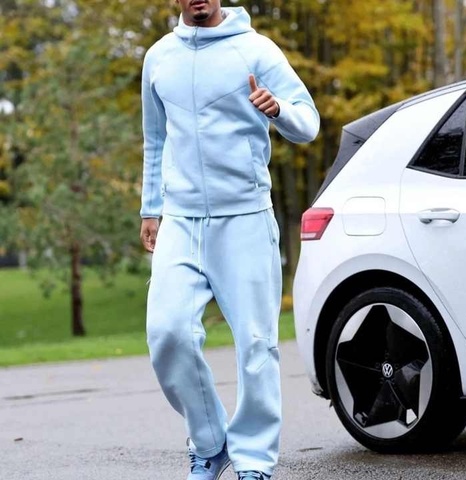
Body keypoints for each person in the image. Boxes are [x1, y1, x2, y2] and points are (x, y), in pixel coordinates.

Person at [139, 1, 319, 479]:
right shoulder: (158, 57)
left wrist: (278, 110)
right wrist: (150, 207)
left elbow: (309, 123)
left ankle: (254, 460)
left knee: (257, 344)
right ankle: (210, 442)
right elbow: (155, 139)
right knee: (168, 333)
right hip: (181, 218)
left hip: (244, 217)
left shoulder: (256, 50)